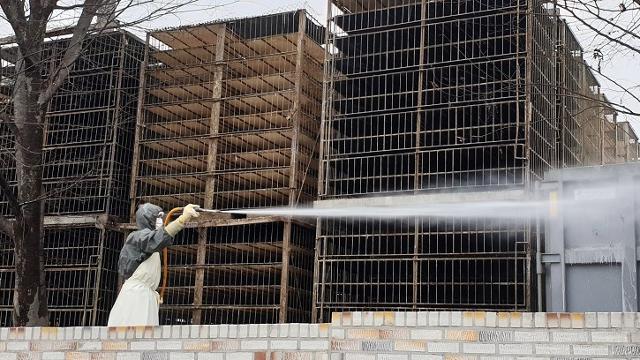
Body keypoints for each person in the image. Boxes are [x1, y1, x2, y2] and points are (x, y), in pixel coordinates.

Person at [107, 203, 200, 326]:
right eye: (158, 218)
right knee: (134, 335)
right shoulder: (137, 237)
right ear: (148, 220)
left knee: (146, 337)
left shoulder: (151, 244)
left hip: (146, 295)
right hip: (136, 296)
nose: (161, 222)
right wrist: (182, 219)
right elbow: (160, 238)